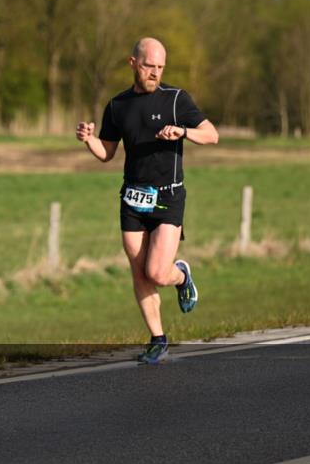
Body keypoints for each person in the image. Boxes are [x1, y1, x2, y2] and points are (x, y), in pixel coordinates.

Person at [76, 37, 218, 365]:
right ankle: (158, 338)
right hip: (132, 197)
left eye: (159, 67)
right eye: (148, 66)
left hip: (168, 195)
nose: (154, 73)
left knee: (157, 271)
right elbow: (106, 154)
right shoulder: (117, 106)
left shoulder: (176, 99)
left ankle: (181, 275)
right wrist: (89, 140)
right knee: (139, 272)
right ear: (132, 63)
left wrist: (183, 132)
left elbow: (212, 134)